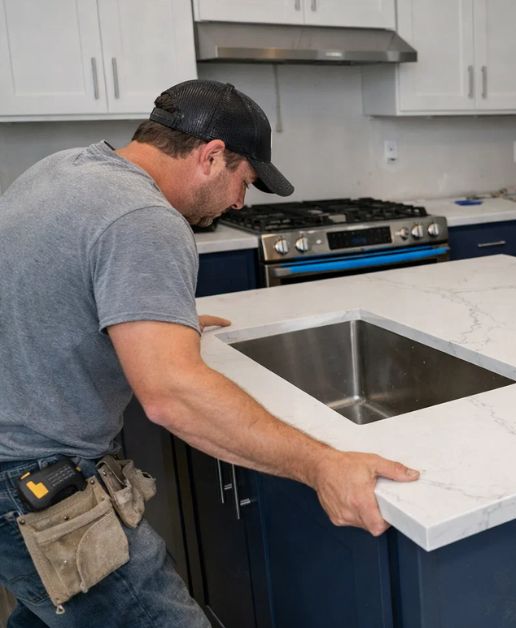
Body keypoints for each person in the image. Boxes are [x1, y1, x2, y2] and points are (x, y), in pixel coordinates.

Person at [0, 79, 419, 627]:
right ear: (211, 155)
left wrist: (144, 318)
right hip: (35, 484)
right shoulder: (143, 218)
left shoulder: (66, 169)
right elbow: (173, 395)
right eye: (243, 182)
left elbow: (42, 287)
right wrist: (323, 465)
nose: (240, 202)